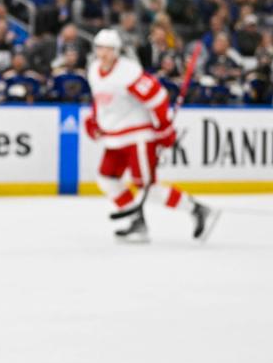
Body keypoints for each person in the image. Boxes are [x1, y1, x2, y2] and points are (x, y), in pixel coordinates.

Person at [84, 29, 219, 242]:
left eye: (109, 49)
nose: (104, 54)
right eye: (100, 48)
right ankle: (137, 222)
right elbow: (99, 100)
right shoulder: (93, 70)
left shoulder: (128, 72)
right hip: (114, 137)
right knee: (106, 179)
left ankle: (197, 209)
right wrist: (93, 121)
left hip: (137, 135)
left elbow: (157, 97)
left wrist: (164, 130)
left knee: (147, 186)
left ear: (117, 51)